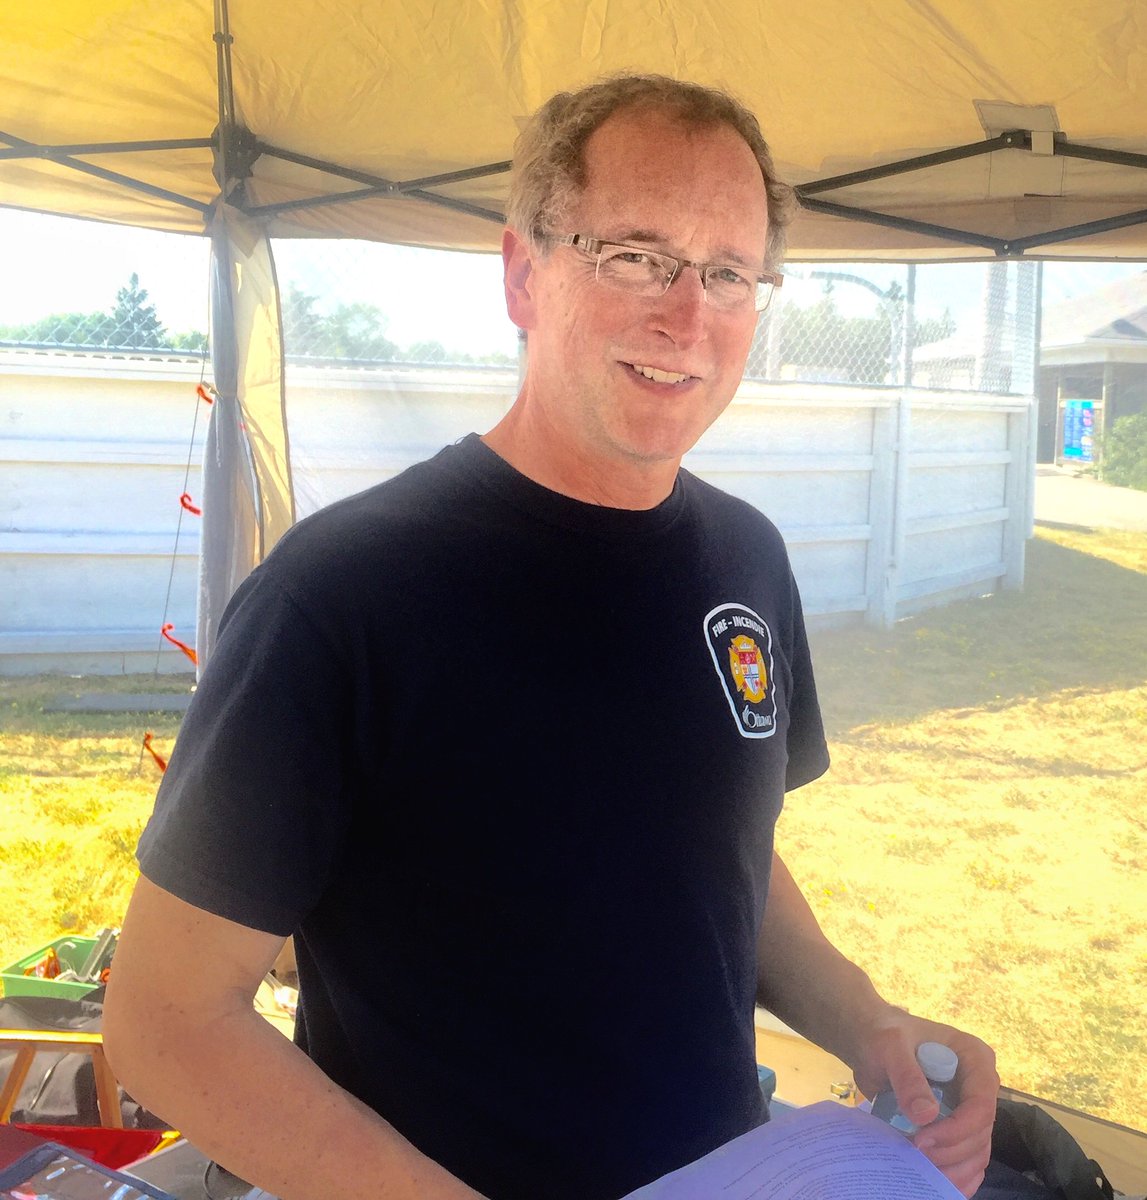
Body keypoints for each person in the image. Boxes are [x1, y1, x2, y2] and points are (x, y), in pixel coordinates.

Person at [103, 74, 998, 1200]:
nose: (687, 315)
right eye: (634, 254)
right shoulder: (341, 595)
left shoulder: (747, 564)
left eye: (728, 273)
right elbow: (166, 1019)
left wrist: (866, 1019)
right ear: (523, 273)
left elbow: (720, 855)